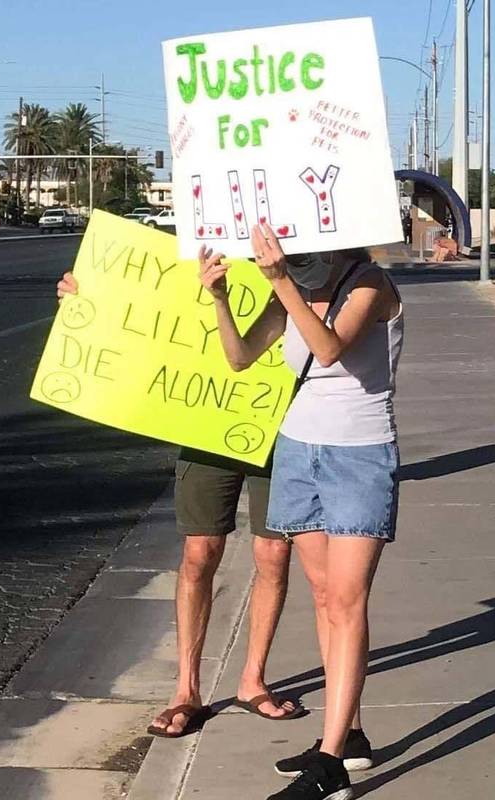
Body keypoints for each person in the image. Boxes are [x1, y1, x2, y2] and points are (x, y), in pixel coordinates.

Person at [199, 223, 403, 800]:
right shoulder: (287, 288)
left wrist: (282, 281)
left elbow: (330, 348)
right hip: (298, 450)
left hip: (359, 456)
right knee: (322, 595)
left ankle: (331, 763)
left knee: (347, 599)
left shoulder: (370, 283)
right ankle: (350, 735)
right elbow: (240, 357)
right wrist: (219, 297)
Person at [55, 273, 306, 738]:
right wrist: (88, 299)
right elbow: (154, 311)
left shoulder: (299, 263)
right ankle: (186, 690)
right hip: (208, 423)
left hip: (281, 426)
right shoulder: (200, 252)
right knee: (198, 554)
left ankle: (253, 679)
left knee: (274, 555)